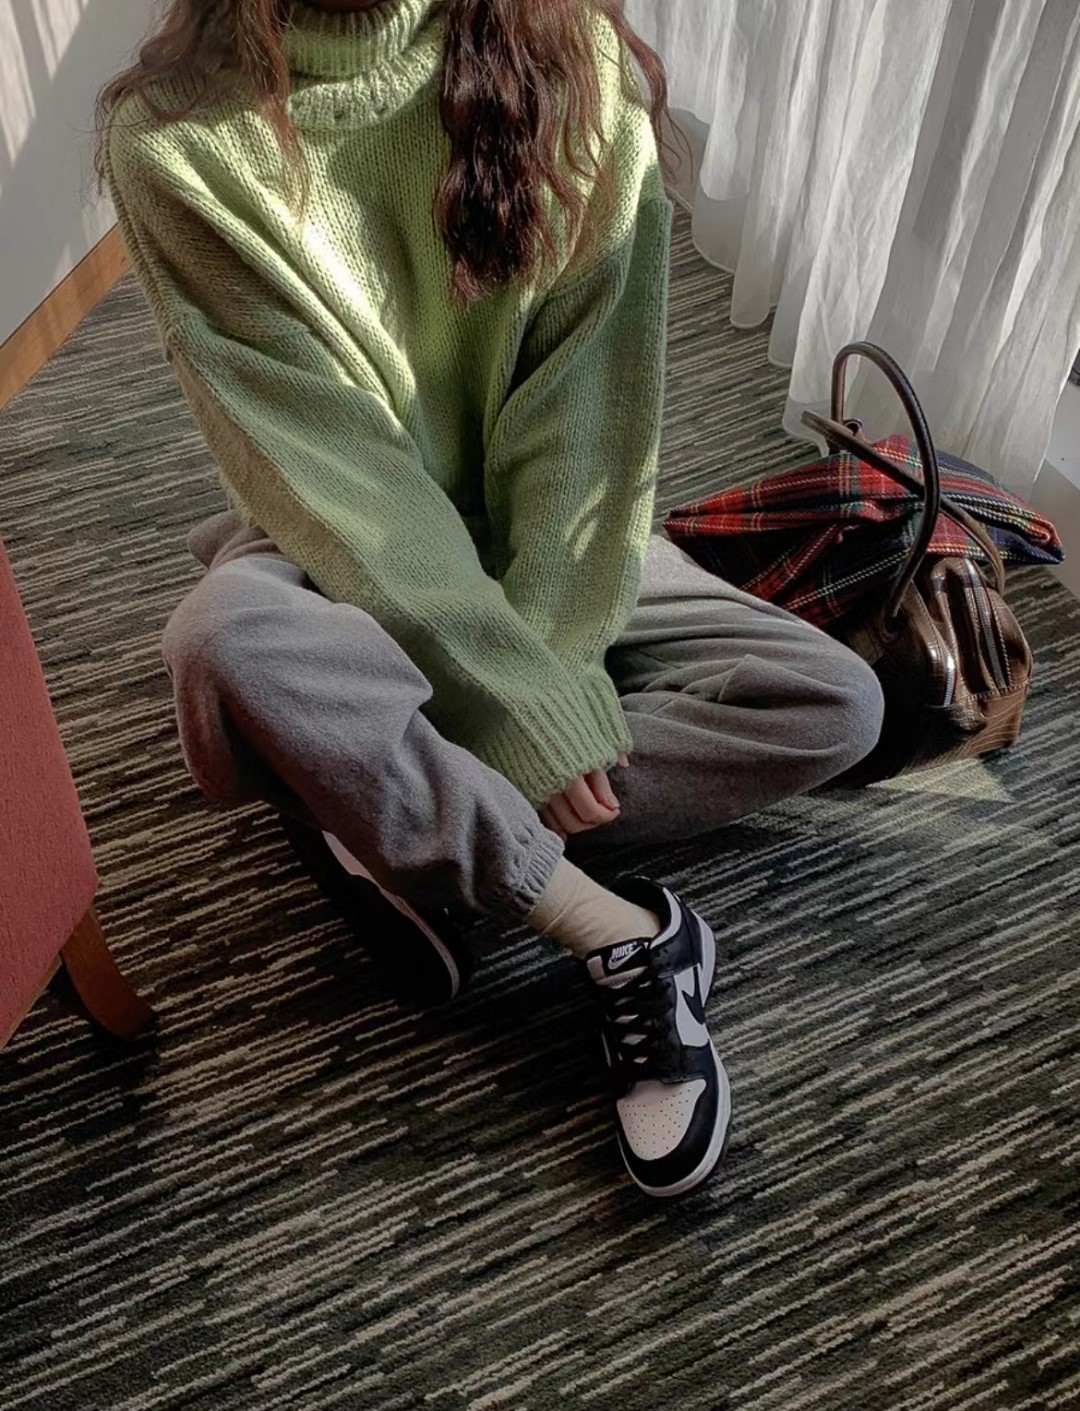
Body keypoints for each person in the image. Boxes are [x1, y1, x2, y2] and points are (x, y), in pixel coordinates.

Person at [99, 0, 884, 1199]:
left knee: (832, 702)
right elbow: (332, 473)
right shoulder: (171, 140)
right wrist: (510, 700)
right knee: (221, 639)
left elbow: (587, 429)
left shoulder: (577, 62)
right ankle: (612, 927)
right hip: (330, 538)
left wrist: (546, 675)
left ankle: (384, 807)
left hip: (550, 545)